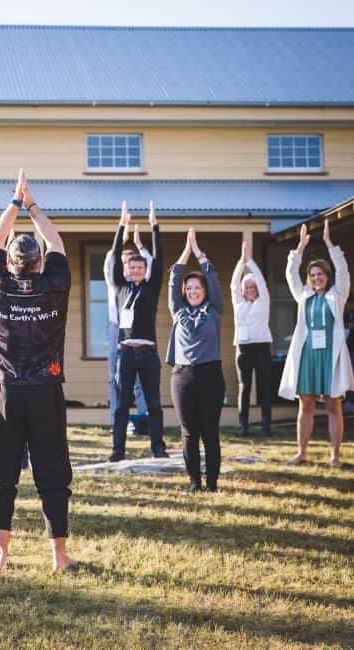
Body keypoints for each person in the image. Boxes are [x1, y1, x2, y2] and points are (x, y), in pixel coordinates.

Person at [0, 169, 75, 572]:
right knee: (52, 471)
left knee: (1, 472)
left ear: (11, 263)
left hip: (5, 389)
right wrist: (32, 204)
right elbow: (56, 241)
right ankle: (59, 556)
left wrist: (15, 203)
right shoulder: (55, 284)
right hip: (47, 389)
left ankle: (1, 555)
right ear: (39, 264)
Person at [279, 220, 354, 468]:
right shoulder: (304, 296)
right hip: (309, 354)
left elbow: (343, 270)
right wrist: (300, 248)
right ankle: (301, 452)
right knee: (306, 404)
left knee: (333, 405)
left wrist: (330, 244)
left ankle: (335, 455)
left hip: (330, 354)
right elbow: (291, 274)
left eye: (320, 274)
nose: (316, 278)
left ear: (326, 276)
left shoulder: (337, 295)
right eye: (312, 275)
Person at [108, 200, 167, 462]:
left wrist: (154, 225)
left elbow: (161, 257)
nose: (135, 270)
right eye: (131, 267)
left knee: (154, 403)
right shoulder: (120, 287)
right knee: (122, 405)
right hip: (126, 353)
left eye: (139, 267)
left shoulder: (151, 287)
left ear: (145, 270)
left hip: (149, 353)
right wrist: (122, 224)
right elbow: (114, 253)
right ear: (126, 270)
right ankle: (117, 451)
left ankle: (158, 448)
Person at [168, 228, 225, 493]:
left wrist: (199, 254)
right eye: (188, 288)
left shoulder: (215, 310)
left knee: (209, 432)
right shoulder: (178, 310)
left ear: (204, 291)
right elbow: (173, 279)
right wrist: (185, 252)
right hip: (182, 376)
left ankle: (212, 484)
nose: (193, 291)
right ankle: (194, 482)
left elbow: (213, 279)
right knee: (189, 433)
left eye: (197, 287)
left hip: (210, 374)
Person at [104, 224, 153, 436]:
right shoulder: (114, 282)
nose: (126, 266)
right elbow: (108, 262)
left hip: (136, 333)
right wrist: (121, 240)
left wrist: (140, 245)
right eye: (123, 262)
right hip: (116, 329)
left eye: (129, 263)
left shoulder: (142, 284)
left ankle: (145, 421)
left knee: (140, 380)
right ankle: (117, 423)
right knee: (114, 377)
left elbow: (150, 263)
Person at [230, 238, 273, 437]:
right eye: (246, 288)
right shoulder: (238, 303)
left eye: (252, 287)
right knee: (244, 387)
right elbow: (233, 284)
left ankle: (266, 425)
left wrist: (250, 261)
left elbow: (262, 282)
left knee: (264, 385)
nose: (249, 290)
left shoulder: (264, 301)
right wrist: (241, 261)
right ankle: (243, 426)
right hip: (243, 348)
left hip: (262, 346)